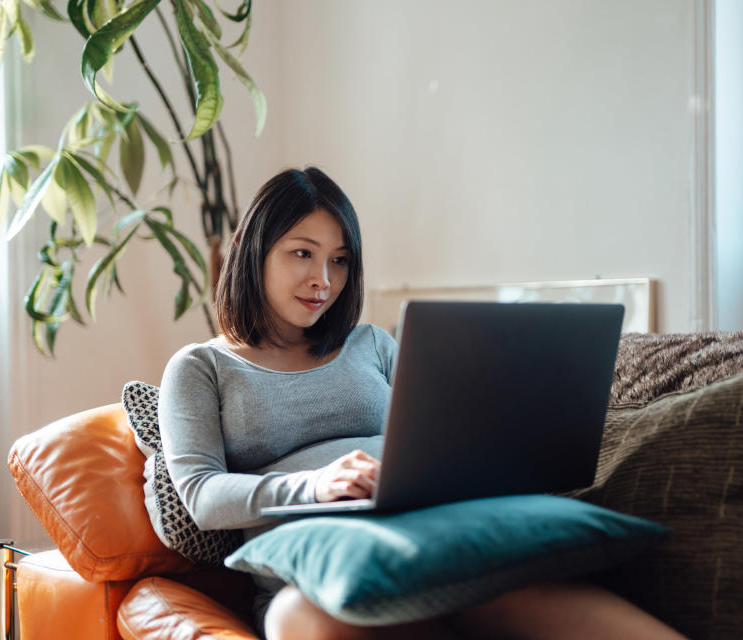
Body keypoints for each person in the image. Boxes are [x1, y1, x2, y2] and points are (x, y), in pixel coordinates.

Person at [158, 167, 686, 640]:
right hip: (318, 576)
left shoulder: (371, 345)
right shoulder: (202, 367)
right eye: (303, 253)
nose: (324, 280)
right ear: (254, 250)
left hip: (427, 543)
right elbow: (201, 495)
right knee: (301, 619)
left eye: (339, 261)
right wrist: (315, 485)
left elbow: (432, 444)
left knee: (521, 591)